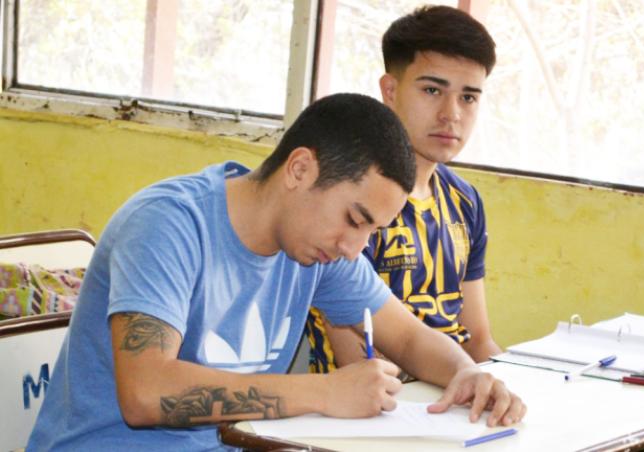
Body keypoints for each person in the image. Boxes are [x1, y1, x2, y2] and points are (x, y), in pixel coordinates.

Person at [27, 93, 525, 451]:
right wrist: (325, 392)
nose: (356, 249)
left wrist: (468, 374)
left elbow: (409, 337)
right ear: (300, 170)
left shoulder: (315, 249)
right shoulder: (168, 224)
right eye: (354, 221)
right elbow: (145, 392)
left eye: (370, 232)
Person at [306, 5, 503, 374]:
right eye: (432, 90)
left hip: (451, 392)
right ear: (390, 90)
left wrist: (506, 388)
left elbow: (477, 341)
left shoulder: (465, 202)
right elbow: (359, 361)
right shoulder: (350, 199)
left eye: (469, 97)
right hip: (368, 410)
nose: (452, 114)